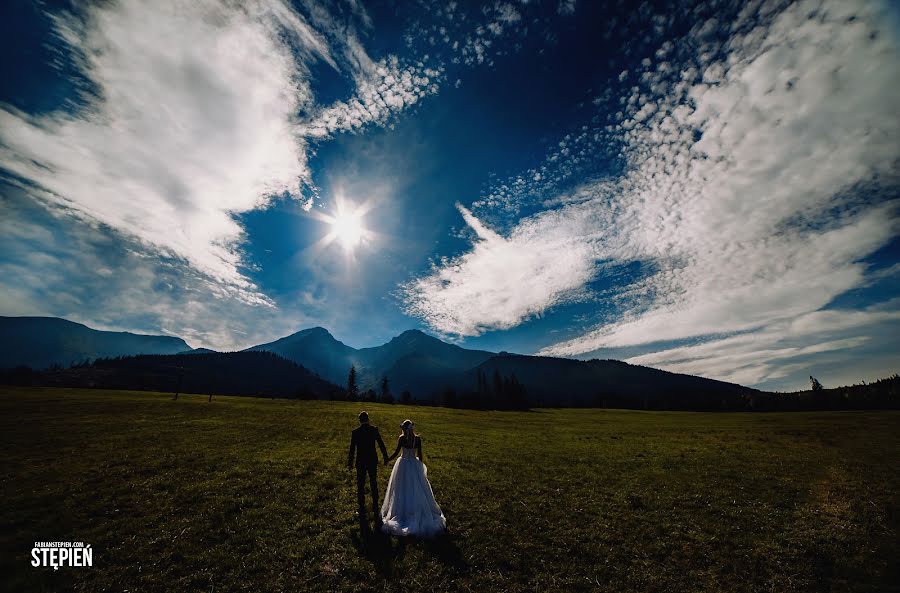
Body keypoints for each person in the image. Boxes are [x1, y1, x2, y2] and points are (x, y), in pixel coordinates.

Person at [380, 419, 447, 537]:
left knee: (401, 487)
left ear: (404, 429)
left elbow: (396, 452)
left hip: (403, 464)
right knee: (416, 487)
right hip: (414, 464)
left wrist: (388, 459)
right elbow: (420, 454)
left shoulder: (402, 439)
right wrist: (420, 467)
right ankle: (414, 508)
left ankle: (402, 509)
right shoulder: (417, 439)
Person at [347, 411, 389, 525]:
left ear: (359, 420)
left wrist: (350, 463)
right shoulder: (374, 430)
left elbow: (352, 449)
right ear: (368, 419)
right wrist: (385, 457)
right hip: (372, 460)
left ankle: (361, 506)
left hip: (360, 461)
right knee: (373, 481)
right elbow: (381, 444)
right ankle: (375, 505)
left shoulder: (355, 432)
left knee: (360, 483)